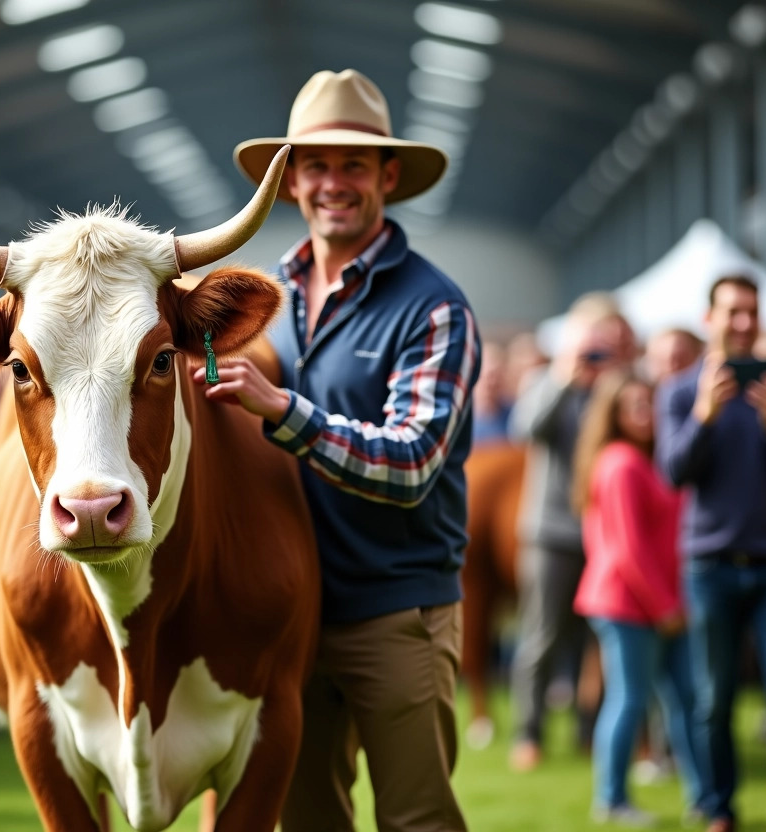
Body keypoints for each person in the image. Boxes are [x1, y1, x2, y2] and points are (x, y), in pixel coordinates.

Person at [209, 68, 479, 830]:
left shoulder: (435, 306)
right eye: (316, 165)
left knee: (417, 818)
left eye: (353, 165)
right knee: (306, 821)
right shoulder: (265, 299)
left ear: (388, 177)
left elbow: (412, 463)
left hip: (399, 608)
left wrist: (282, 409)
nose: (334, 183)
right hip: (289, 614)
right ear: (290, 180)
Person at [656, 273, 766, 832]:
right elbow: (673, 473)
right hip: (710, 566)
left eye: (752, 311)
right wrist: (704, 415)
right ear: (710, 320)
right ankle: (719, 809)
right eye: (733, 312)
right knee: (712, 698)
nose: (744, 322)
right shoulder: (677, 391)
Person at [507, 292, 635, 771]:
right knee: (541, 637)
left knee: (594, 644)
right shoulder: (551, 380)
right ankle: (529, 731)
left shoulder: (616, 388)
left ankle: (589, 731)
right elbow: (527, 430)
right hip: (549, 532)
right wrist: (566, 378)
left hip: (602, 534)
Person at [571, 370, 701, 827]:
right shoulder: (621, 462)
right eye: (634, 405)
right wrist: (664, 605)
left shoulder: (647, 459)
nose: (645, 414)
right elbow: (627, 548)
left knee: (685, 698)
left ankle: (704, 798)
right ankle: (611, 799)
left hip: (660, 604)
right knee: (629, 700)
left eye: (650, 403)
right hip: (630, 605)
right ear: (614, 414)